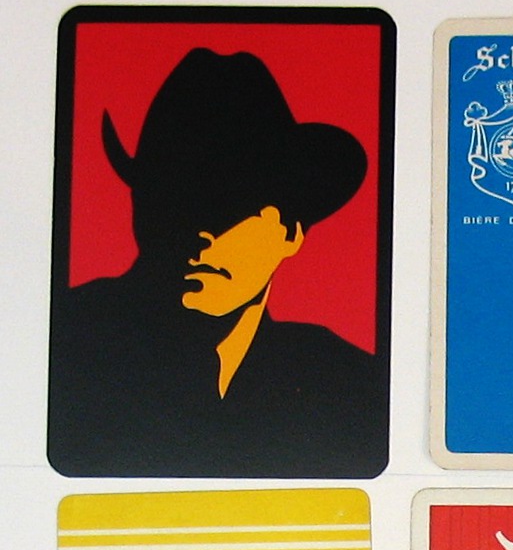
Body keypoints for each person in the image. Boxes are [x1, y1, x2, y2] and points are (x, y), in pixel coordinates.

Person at [49, 47, 384, 477]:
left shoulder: (346, 382)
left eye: (233, 208)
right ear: (139, 208)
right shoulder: (65, 342)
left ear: (291, 232)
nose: (202, 233)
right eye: (174, 199)